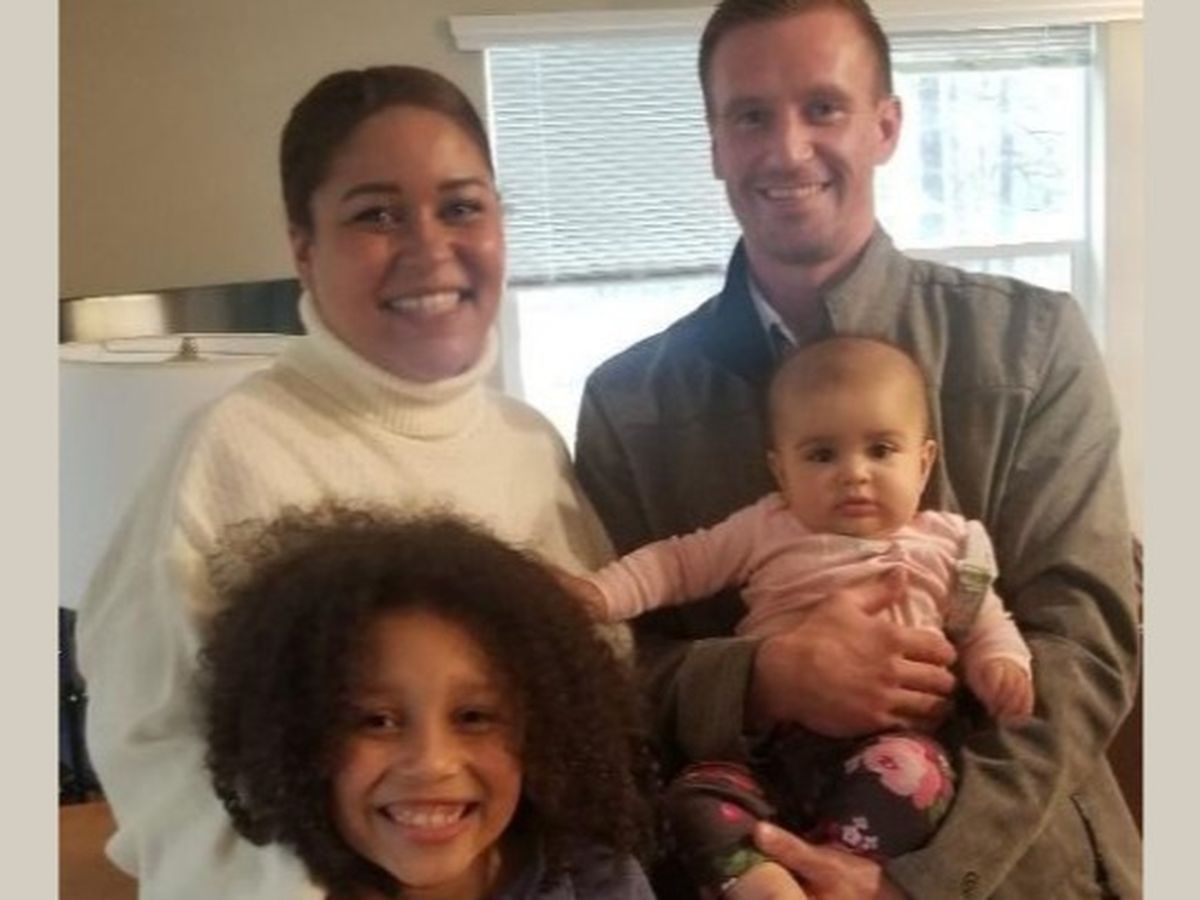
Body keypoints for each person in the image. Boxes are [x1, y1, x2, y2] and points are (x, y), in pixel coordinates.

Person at [574, 1, 1141, 898]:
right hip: (744, 861)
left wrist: (912, 877)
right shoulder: (627, 402)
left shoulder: (1032, 346)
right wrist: (760, 677)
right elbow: (608, 673)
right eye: (750, 116)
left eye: (823, 108)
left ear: (886, 126)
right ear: (715, 144)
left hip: (1016, 868)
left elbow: (1084, 643)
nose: (787, 149)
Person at [76, 65, 613, 900]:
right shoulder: (230, 452)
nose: (430, 247)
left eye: (461, 207)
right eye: (377, 215)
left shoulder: (529, 445)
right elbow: (158, 768)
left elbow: (589, 705)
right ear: (304, 247)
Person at [570, 337, 1031, 899]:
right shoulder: (765, 527)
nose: (854, 474)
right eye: (821, 455)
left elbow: (986, 622)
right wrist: (599, 596)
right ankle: (762, 882)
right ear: (781, 470)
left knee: (920, 777)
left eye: (881, 450)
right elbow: (674, 565)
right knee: (693, 799)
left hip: (889, 752)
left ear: (923, 462)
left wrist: (1002, 665)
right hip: (764, 755)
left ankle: (832, 868)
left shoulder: (951, 546)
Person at [199, 505, 656, 900]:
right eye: (377, 721)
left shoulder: (597, 883)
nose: (431, 763)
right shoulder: (263, 886)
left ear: (545, 731)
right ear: (296, 738)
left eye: (474, 717)